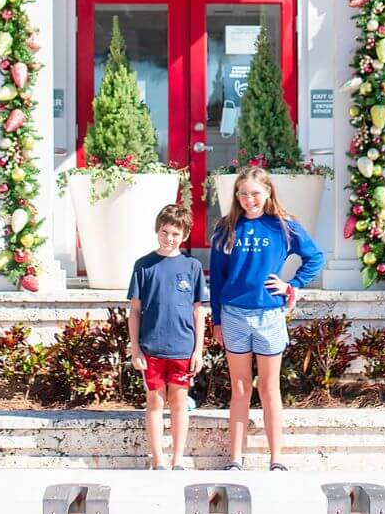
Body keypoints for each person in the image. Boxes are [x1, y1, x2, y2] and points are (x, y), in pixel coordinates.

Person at [209, 167, 325, 471]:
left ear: (268, 192)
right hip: (233, 315)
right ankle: (235, 459)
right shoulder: (226, 228)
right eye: (244, 194)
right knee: (241, 387)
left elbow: (315, 258)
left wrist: (292, 286)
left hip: (269, 315)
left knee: (269, 388)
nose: (250, 200)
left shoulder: (284, 227)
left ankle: (277, 460)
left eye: (256, 193)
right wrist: (217, 319)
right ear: (236, 196)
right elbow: (218, 279)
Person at [127, 203, 207, 470]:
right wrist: (136, 349)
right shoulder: (144, 266)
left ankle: (177, 458)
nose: (169, 238)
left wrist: (198, 350)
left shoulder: (192, 266)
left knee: (179, 403)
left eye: (175, 233)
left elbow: (199, 312)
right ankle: (158, 459)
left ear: (184, 235)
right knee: (155, 402)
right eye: (165, 232)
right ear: (157, 231)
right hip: (152, 348)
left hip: (183, 348)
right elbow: (135, 312)